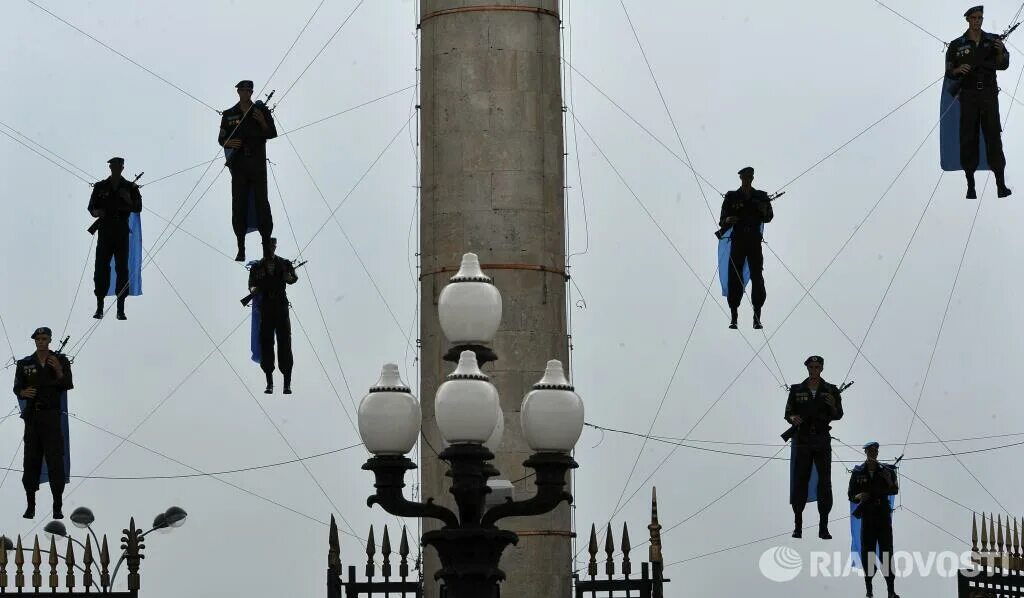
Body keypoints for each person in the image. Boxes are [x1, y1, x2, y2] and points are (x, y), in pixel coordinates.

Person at [946, 5, 1011, 199]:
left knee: (993, 137)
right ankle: (970, 185)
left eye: (980, 18)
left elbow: (1004, 64)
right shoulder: (957, 44)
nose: (977, 21)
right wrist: (959, 70)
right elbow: (949, 71)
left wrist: (999, 51)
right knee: (968, 138)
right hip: (968, 95)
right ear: (967, 19)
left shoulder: (992, 40)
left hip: (989, 95)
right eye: (974, 18)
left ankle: (1001, 184)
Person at [13, 327, 72, 519]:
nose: (40, 341)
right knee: (31, 461)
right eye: (37, 339)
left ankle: (57, 505)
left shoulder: (60, 360)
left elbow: (67, 384)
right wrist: (22, 393)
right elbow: (17, 387)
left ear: (49, 340)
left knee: (56, 461)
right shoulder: (25, 363)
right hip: (33, 418)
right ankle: (31, 505)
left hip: (52, 417)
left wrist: (58, 370)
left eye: (44, 338)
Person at [784, 355, 843, 539]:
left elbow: (839, 414)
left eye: (817, 367)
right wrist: (793, 418)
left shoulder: (831, 390)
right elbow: (788, 412)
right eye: (811, 367)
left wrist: (833, 406)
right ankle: (798, 524)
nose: (814, 370)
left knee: (825, 483)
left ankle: (823, 526)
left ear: (822, 369)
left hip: (822, 439)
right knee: (800, 480)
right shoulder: (796, 389)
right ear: (807, 368)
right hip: (802, 440)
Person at [219, 79, 277, 261]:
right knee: (239, 205)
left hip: (258, 165)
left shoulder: (260, 111)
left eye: (248, 91)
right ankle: (241, 247)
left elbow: (271, 133)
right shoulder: (229, 114)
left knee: (262, 204)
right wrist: (228, 142)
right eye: (242, 91)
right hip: (239, 166)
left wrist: (262, 122)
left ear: (251, 93)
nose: (245, 93)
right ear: (238, 92)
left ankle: (266, 246)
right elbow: (221, 139)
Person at [719, 166, 773, 329]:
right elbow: (722, 220)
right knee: (735, 275)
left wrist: (764, 210)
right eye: (745, 177)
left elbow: (769, 217)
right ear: (741, 179)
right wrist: (729, 219)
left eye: (750, 177)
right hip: (738, 239)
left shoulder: (761, 196)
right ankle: (734, 315)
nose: (747, 179)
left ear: (752, 178)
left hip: (754, 241)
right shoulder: (732, 196)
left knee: (757, 276)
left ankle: (757, 316)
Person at [88, 157, 142, 319]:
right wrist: (98, 212)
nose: (116, 169)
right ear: (110, 168)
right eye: (113, 166)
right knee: (101, 268)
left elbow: (138, 208)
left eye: (118, 166)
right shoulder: (100, 186)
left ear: (122, 168)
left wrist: (127, 198)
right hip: (105, 230)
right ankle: (99, 306)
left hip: (121, 231)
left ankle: (120, 308)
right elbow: (91, 208)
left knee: (122, 269)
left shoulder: (130, 187)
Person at [849, 441, 900, 598]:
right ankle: (869, 589)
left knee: (887, 552)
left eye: (876, 450)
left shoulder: (886, 470)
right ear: (866, 452)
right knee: (867, 552)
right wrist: (859, 496)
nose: (874, 453)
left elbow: (895, 490)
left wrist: (889, 479)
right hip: (868, 516)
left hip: (883, 516)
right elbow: (851, 494)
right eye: (871, 450)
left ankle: (890, 591)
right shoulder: (858, 472)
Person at [247, 238, 297, 394]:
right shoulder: (257, 267)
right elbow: (251, 285)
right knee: (266, 343)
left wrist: (287, 277)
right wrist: (256, 288)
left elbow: (293, 278)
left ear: (275, 247)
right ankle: (269, 382)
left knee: (285, 342)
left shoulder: (284, 263)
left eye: (272, 246)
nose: (270, 248)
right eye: (268, 246)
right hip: (267, 307)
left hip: (281, 307)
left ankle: (286, 382)